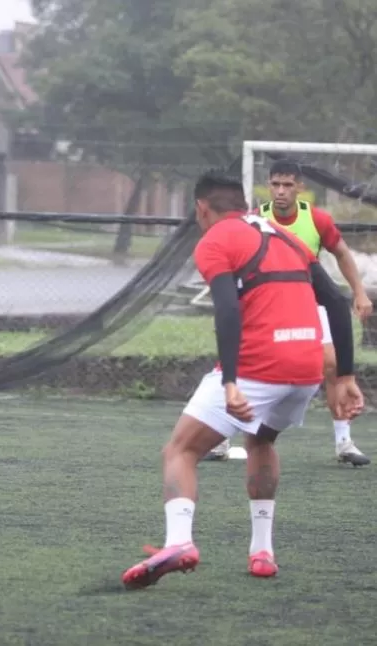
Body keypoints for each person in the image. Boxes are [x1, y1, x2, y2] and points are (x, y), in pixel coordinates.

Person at [122, 171, 364, 590]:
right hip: (307, 366)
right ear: (245, 204)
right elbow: (338, 303)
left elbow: (226, 312)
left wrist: (231, 380)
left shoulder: (214, 240)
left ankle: (179, 542)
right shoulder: (283, 236)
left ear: (202, 208)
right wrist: (344, 375)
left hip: (259, 366)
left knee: (179, 449)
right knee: (262, 440)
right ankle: (262, 552)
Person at [204, 159, 372, 466]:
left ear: (300, 188)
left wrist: (359, 292)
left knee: (333, 365)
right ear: (268, 186)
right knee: (238, 362)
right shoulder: (255, 219)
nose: (281, 191)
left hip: (310, 303)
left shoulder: (317, 220)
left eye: (288, 185)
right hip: (267, 306)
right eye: (275, 184)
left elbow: (343, 254)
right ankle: (218, 435)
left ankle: (344, 442)